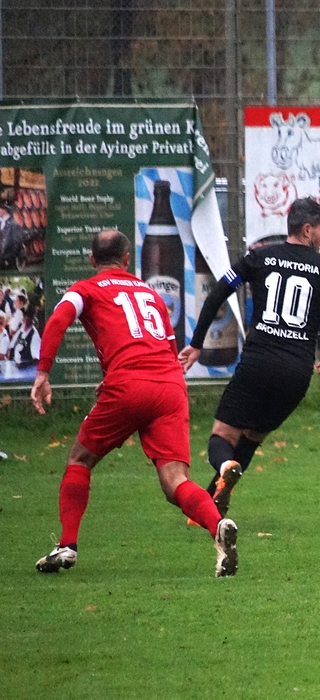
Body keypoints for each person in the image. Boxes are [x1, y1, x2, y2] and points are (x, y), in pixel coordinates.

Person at [30, 229, 238, 577]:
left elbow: (57, 319)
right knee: (175, 481)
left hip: (128, 386)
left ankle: (67, 545)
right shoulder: (150, 294)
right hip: (170, 386)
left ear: (92, 260)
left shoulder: (85, 289)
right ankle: (218, 526)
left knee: (79, 459)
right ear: (127, 260)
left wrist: (43, 373)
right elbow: (166, 349)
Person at [179, 197, 320, 517]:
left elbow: (218, 294)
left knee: (223, 435)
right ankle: (211, 504)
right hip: (296, 372)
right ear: (307, 230)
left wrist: (196, 344)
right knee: (252, 436)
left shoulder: (259, 257)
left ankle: (224, 468)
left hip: (258, 363)